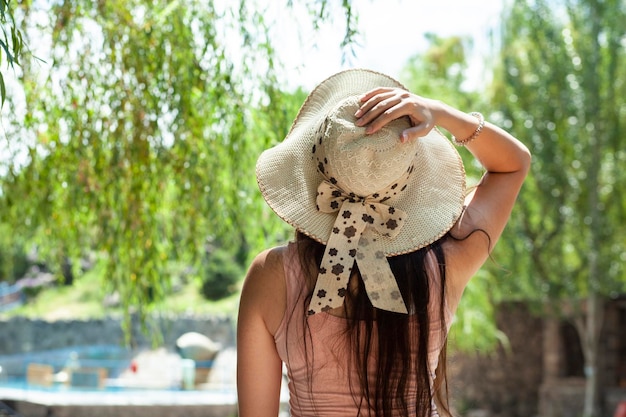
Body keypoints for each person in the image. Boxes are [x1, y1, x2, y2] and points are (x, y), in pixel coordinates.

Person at [237, 69, 531, 417]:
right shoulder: (446, 264)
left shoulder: (271, 276)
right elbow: (512, 166)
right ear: (408, 181)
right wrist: (442, 114)